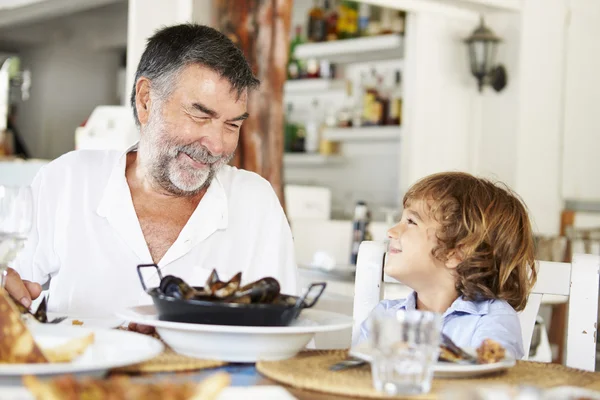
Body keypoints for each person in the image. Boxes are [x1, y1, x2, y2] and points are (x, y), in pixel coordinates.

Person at [6, 24, 298, 325]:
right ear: (146, 100)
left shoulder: (255, 203)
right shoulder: (65, 181)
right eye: (200, 115)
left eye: (232, 125)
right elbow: (12, 296)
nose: (217, 145)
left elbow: (285, 336)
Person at [356, 172, 537, 358]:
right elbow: (352, 377)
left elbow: (492, 379)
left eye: (411, 221)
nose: (391, 231)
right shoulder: (385, 315)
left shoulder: (493, 320)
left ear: (456, 253)